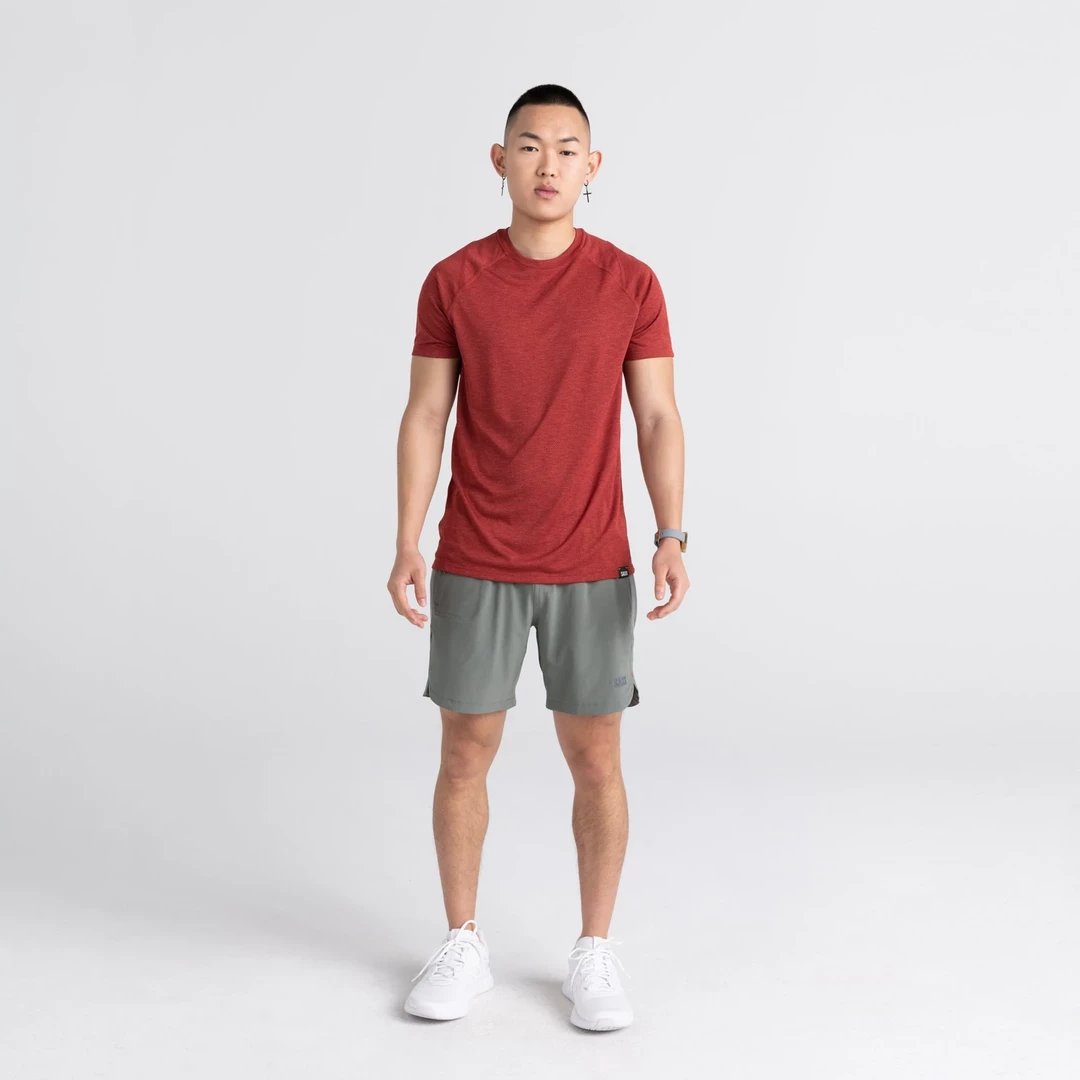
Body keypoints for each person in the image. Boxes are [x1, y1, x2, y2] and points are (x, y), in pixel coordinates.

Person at [388, 84, 689, 1031]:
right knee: (464, 752)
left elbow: (656, 416)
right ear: (500, 160)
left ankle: (594, 949)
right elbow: (426, 413)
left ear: (592, 167)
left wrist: (671, 533)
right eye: (529, 146)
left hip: (591, 561)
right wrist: (406, 538)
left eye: (566, 148)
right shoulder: (455, 281)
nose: (547, 164)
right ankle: (462, 941)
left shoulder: (629, 283)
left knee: (596, 758)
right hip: (475, 554)